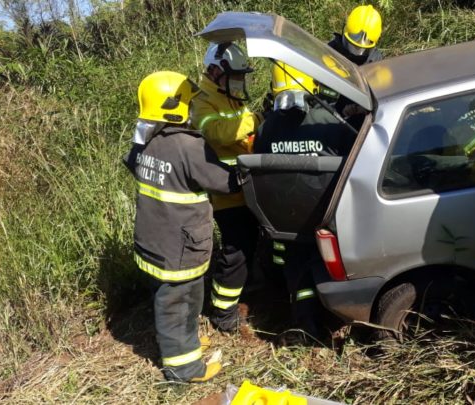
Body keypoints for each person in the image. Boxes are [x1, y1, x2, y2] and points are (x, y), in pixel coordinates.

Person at [123, 71, 237, 382]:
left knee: (170, 299)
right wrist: (245, 171)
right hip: (181, 248)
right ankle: (184, 368)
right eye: (187, 101)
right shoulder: (188, 146)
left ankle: (184, 345)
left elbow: (132, 164)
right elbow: (224, 182)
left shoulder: (145, 141)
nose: (190, 106)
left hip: (154, 242)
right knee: (180, 304)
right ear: (174, 106)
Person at [253, 62, 356, 337]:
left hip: (287, 216)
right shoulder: (331, 120)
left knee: (296, 268)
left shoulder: (266, 129)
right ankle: (336, 317)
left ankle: (306, 324)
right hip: (328, 211)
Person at [190, 42, 262, 332]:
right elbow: (218, 133)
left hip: (246, 186)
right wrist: (255, 120)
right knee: (236, 250)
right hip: (225, 191)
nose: (240, 81)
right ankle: (223, 312)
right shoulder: (202, 99)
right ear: (217, 70)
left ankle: (247, 291)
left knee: (250, 243)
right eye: (236, 74)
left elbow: (241, 134)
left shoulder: (230, 96)